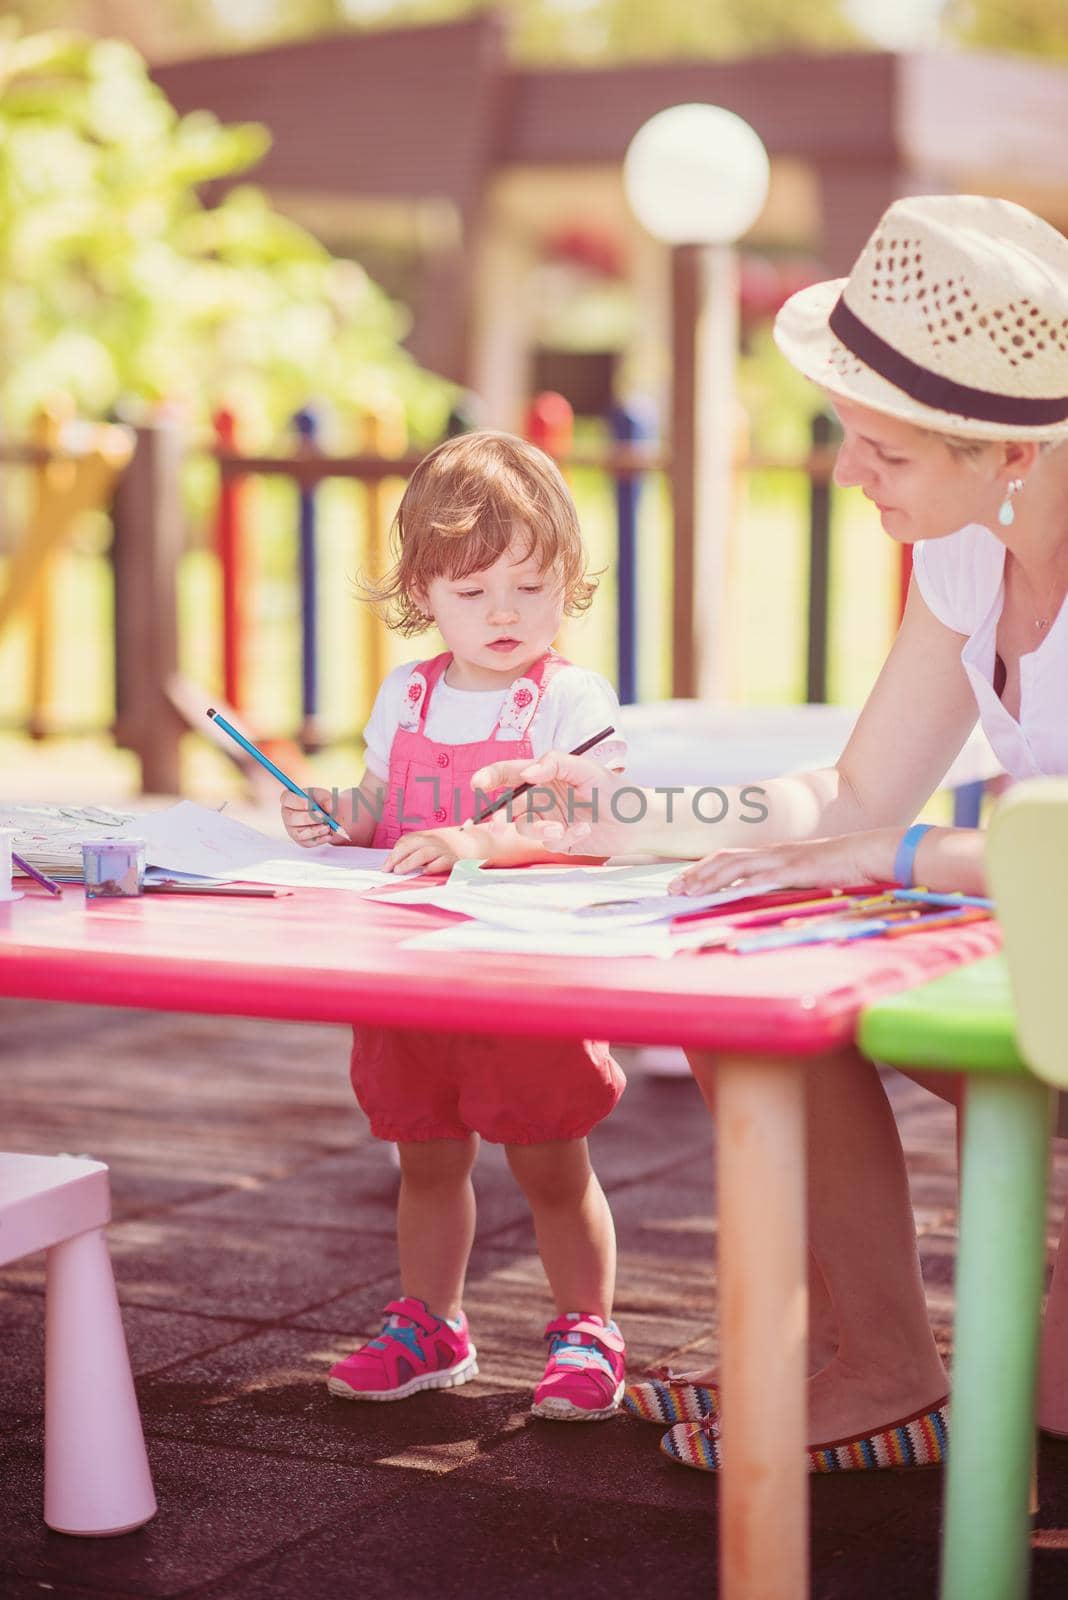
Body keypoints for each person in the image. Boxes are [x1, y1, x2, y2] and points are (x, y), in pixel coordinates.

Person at [472, 193, 1068, 1469]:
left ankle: (919, 1364)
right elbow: (856, 798)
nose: (850, 473)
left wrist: (893, 857)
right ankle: (881, 1364)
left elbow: (920, 841)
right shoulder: (972, 553)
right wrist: (630, 819)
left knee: (1053, 1417)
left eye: (887, 453)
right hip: (1048, 974)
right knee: (739, 959)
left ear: (1011, 455)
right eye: (851, 438)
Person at [281, 430, 630, 1422]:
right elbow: (380, 805)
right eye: (473, 593)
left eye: (530, 584)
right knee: (425, 1155)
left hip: (524, 974)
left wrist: (483, 842)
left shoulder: (569, 698)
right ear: (422, 593)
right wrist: (334, 814)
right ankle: (432, 1323)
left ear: (567, 575)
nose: (504, 612)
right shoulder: (408, 693)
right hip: (408, 975)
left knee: (552, 1161)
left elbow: (596, 814)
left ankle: (585, 1326)